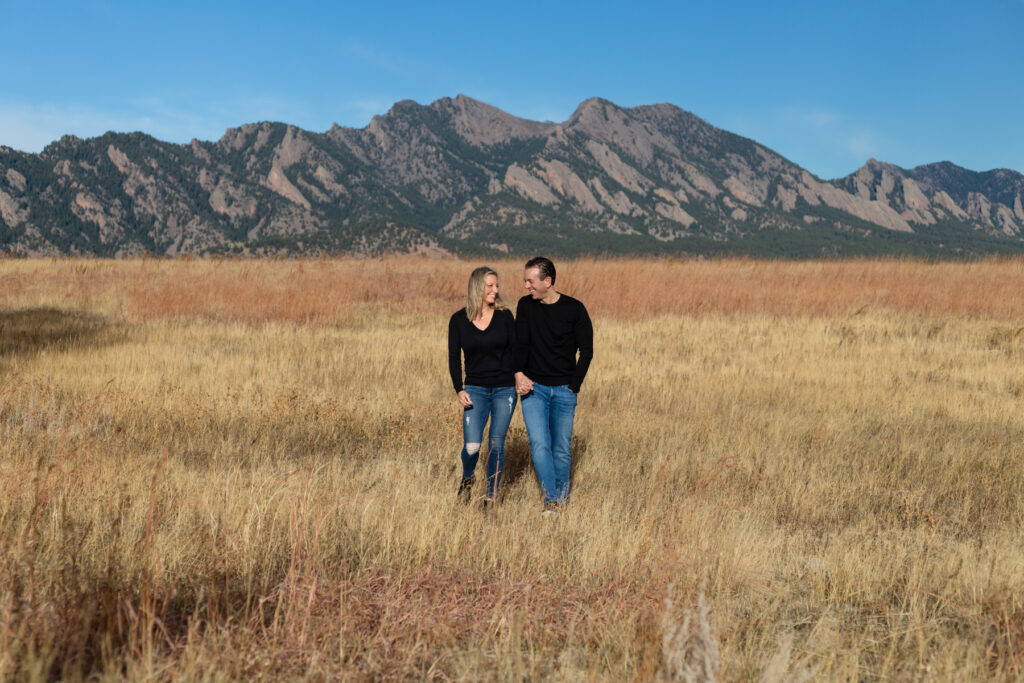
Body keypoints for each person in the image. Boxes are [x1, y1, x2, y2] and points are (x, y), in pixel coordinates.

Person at [514, 256, 593, 515]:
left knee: (560, 447)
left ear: (548, 281)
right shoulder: (525, 306)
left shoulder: (575, 309)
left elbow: (587, 351)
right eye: (525, 280)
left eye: (530, 280)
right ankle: (552, 500)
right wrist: (518, 373)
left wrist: (574, 385)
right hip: (533, 390)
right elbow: (520, 344)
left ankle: (560, 498)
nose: (526, 286)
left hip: (564, 391)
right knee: (539, 444)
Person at [448, 266, 518, 507]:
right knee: (472, 446)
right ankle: (467, 479)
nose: (496, 290)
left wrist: (520, 377)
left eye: (497, 286)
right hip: (475, 389)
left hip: (504, 389)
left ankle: (491, 497)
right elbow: (454, 357)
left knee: (496, 444)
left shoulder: (506, 316)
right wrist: (460, 388)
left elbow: (517, 351)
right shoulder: (458, 320)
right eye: (491, 286)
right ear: (477, 286)